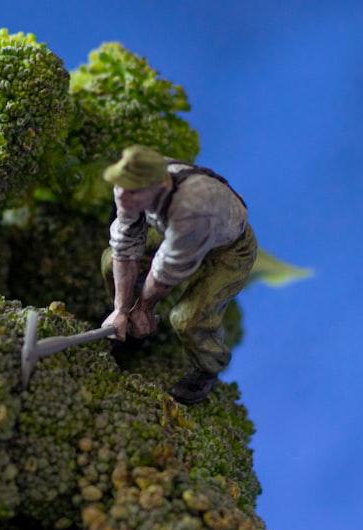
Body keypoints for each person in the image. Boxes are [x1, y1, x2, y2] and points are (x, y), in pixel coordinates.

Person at [100, 145, 257, 404]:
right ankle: (128, 327)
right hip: (170, 231)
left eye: (134, 191)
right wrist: (121, 308)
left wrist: (144, 307)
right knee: (109, 262)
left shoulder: (193, 209)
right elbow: (125, 244)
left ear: (159, 186)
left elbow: (165, 272)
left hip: (228, 250)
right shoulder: (128, 188)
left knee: (188, 318)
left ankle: (207, 368)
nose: (124, 196)